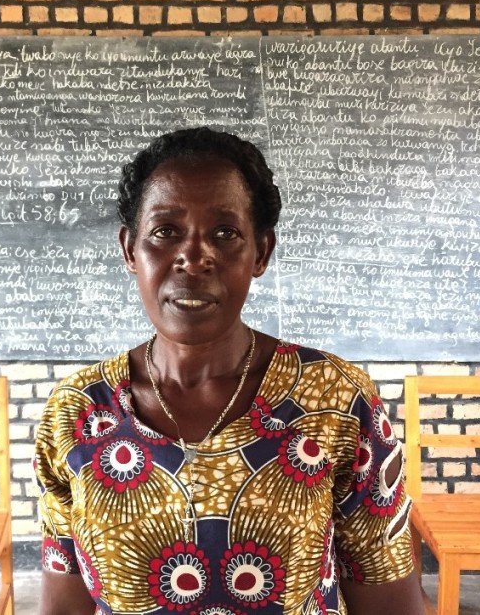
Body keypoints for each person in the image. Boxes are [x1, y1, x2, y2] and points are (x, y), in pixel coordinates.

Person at [34, 127, 423, 614]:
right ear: (130, 249)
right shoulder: (78, 412)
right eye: (165, 231)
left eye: (225, 233)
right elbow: (64, 605)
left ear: (260, 252)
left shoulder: (338, 401)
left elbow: (391, 600)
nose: (194, 259)